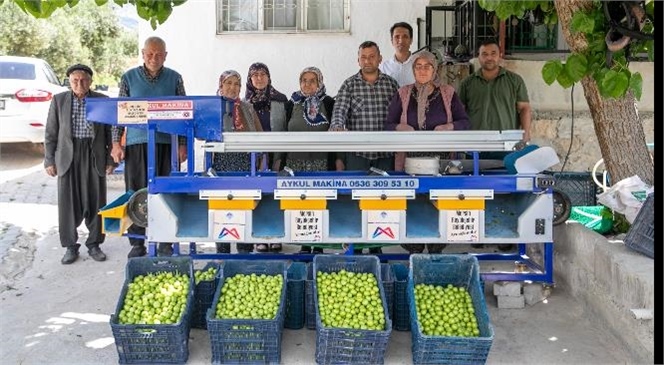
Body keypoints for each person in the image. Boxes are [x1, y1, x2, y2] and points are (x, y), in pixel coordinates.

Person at [385, 51, 471, 255]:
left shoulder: (448, 93)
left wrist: (448, 126)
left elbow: (465, 122)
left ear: (435, 69)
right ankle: (414, 247)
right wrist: (399, 128)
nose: (422, 70)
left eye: (427, 66)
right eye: (418, 66)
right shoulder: (404, 93)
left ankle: (436, 247)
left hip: (442, 161)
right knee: (412, 202)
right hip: (410, 159)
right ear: (413, 69)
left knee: (439, 202)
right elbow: (388, 124)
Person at [110, 36, 188, 258]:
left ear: (165, 55)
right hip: (136, 143)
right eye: (150, 54)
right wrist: (116, 142)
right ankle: (137, 242)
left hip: (166, 144)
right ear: (143, 54)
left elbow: (184, 113)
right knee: (135, 192)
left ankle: (165, 240)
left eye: (159, 54)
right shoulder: (129, 78)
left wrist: (182, 144)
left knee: (166, 192)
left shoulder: (175, 78)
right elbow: (119, 112)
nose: (154, 58)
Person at [457, 39, 532, 252]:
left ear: (500, 56)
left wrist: (525, 137)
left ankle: (504, 235)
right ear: (478, 57)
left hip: (506, 148)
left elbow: (524, 109)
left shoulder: (514, 80)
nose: (489, 57)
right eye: (484, 54)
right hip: (475, 148)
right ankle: (476, 232)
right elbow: (460, 115)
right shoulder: (468, 83)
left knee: (504, 191)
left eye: (492, 53)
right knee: (475, 192)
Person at [330, 41, 399, 254]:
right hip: (358, 154)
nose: (367, 60)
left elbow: (398, 115)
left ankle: (376, 244)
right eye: (363, 57)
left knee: (381, 199)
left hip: (384, 154)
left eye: (372, 56)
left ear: (379, 58)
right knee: (356, 199)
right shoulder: (349, 84)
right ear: (358, 59)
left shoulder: (391, 85)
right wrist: (337, 126)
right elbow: (339, 112)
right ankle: (357, 244)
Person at [44, 64, 113, 264]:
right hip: (67, 155)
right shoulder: (59, 100)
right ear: (69, 82)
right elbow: (51, 132)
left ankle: (94, 244)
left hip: (94, 153)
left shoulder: (101, 100)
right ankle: (70, 247)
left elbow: (110, 132)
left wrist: (110, 159)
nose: (79, 84)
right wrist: (49, 159)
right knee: (68, 202)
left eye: (83, 80)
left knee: (96, 200)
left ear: (91, 82)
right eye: (75, 80)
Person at [274, 66, 336, 255]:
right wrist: (278, 159)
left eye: (312, 80)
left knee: (319, 203)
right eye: (304, 80)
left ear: (320, 82)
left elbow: (336, 132)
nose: (307, 84)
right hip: (295, 163)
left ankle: (319, 245)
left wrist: (339, 160)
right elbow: (282, 131)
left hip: (321, 163)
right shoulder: (292, 103)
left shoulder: (329, 102)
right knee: (299, 204)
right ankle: (303, 243)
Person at [212, 70, 263, 255]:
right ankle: (223, 250)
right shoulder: (213, 107)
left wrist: (258, 158)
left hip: (244, 162)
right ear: (221, 85)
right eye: (229, 83)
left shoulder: (247, 107)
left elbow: (259, 134)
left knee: (243, 205)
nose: (233, 87)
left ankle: (245, 249)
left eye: (237, 84)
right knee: (221, 206)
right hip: (220, 163)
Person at [245, 62, 288, 253]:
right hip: (254, 155)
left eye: (263, 74)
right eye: (255, 75)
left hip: (276, 153)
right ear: (250, 79)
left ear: (269, 77)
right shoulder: (244, 103)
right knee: (257, 194)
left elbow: (286, 129)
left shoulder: (280, 100)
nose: (259, 78)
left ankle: (277, 235)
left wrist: (279, 156)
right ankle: (260, 237)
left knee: (277, 194)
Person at [379, 22, 417, 87]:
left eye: (405, 37)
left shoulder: (419, 65)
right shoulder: (384, 68)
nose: (401, 41)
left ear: (411, 40)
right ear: (392, 41)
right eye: (397, 37)